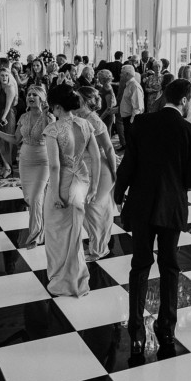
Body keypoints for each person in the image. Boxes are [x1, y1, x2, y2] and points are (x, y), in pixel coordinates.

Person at [114, 79, 191, 354]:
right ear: (186, 100)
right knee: (169, 266)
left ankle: (137, 333)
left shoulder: (141, 123)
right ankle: (166, 330)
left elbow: (128, 163)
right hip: (172, 207)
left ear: (164, 96)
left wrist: (119, 194)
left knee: (140, 265)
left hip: (142, 204)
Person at [42, 84, 100, 297]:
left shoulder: (53, 129)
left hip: (63, 182)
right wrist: (93, 186)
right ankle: (75, 275)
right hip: (82, 180)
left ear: (57, 107)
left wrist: (55, 194)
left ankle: (62, 279)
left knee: (56, 232)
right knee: (74, 231)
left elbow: (55, 166)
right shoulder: (85, 123)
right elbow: (95, 156)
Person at [0, 85, 56, 248]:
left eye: (35, 95)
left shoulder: (49, 118)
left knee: (36, 197)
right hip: (25, 160)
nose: (30, 97)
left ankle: (35, 236)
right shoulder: (23, 117)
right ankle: (41, 226)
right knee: (29, 198)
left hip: (43, 161)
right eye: (29, 94)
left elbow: (55, 141)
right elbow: (15, 139)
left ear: (42, 98)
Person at [76, 87, 118, 262]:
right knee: (94, 209)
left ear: (86, 101)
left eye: (77, 97)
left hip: (98, 169)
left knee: (93, 210)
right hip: (84, 168)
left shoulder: (93, 120)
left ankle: (99, 249)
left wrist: (115, 172)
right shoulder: (78, 117)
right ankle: (98, 244)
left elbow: (108, 148)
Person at [0, 66, 18, 178]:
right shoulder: (1, 87)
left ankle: (8, 167)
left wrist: (3, 117)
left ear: (9, 76)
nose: (4, 77)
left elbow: (8, 106)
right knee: (0, 141)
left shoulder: (10, 87)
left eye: (6, 75)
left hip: (6, 116)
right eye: (2, 75)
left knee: (3, 142)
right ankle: (5, 166)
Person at [119, 65, 144, 146]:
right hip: (127, 119)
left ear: (127, 74)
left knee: (132, 145)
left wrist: (131, 123)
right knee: (129, 145)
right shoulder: (128, 85)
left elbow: (138, 107)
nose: (120, 75)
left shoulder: (134, 86)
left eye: (122, 73)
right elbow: (127, 103)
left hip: (131, 120)